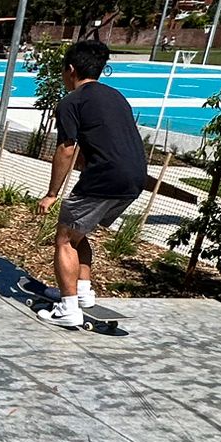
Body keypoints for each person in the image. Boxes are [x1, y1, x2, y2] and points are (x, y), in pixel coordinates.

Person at [35, 39, 147, 329]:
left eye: (63, 71)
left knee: (64, 239)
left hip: (105, 176)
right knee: (79, 234)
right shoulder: (115, 96)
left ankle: (68, 308)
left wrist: (51, 194)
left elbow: (67, 149)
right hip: (135, 178)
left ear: (70, 70)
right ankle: (81, 293)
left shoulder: (72, 101)